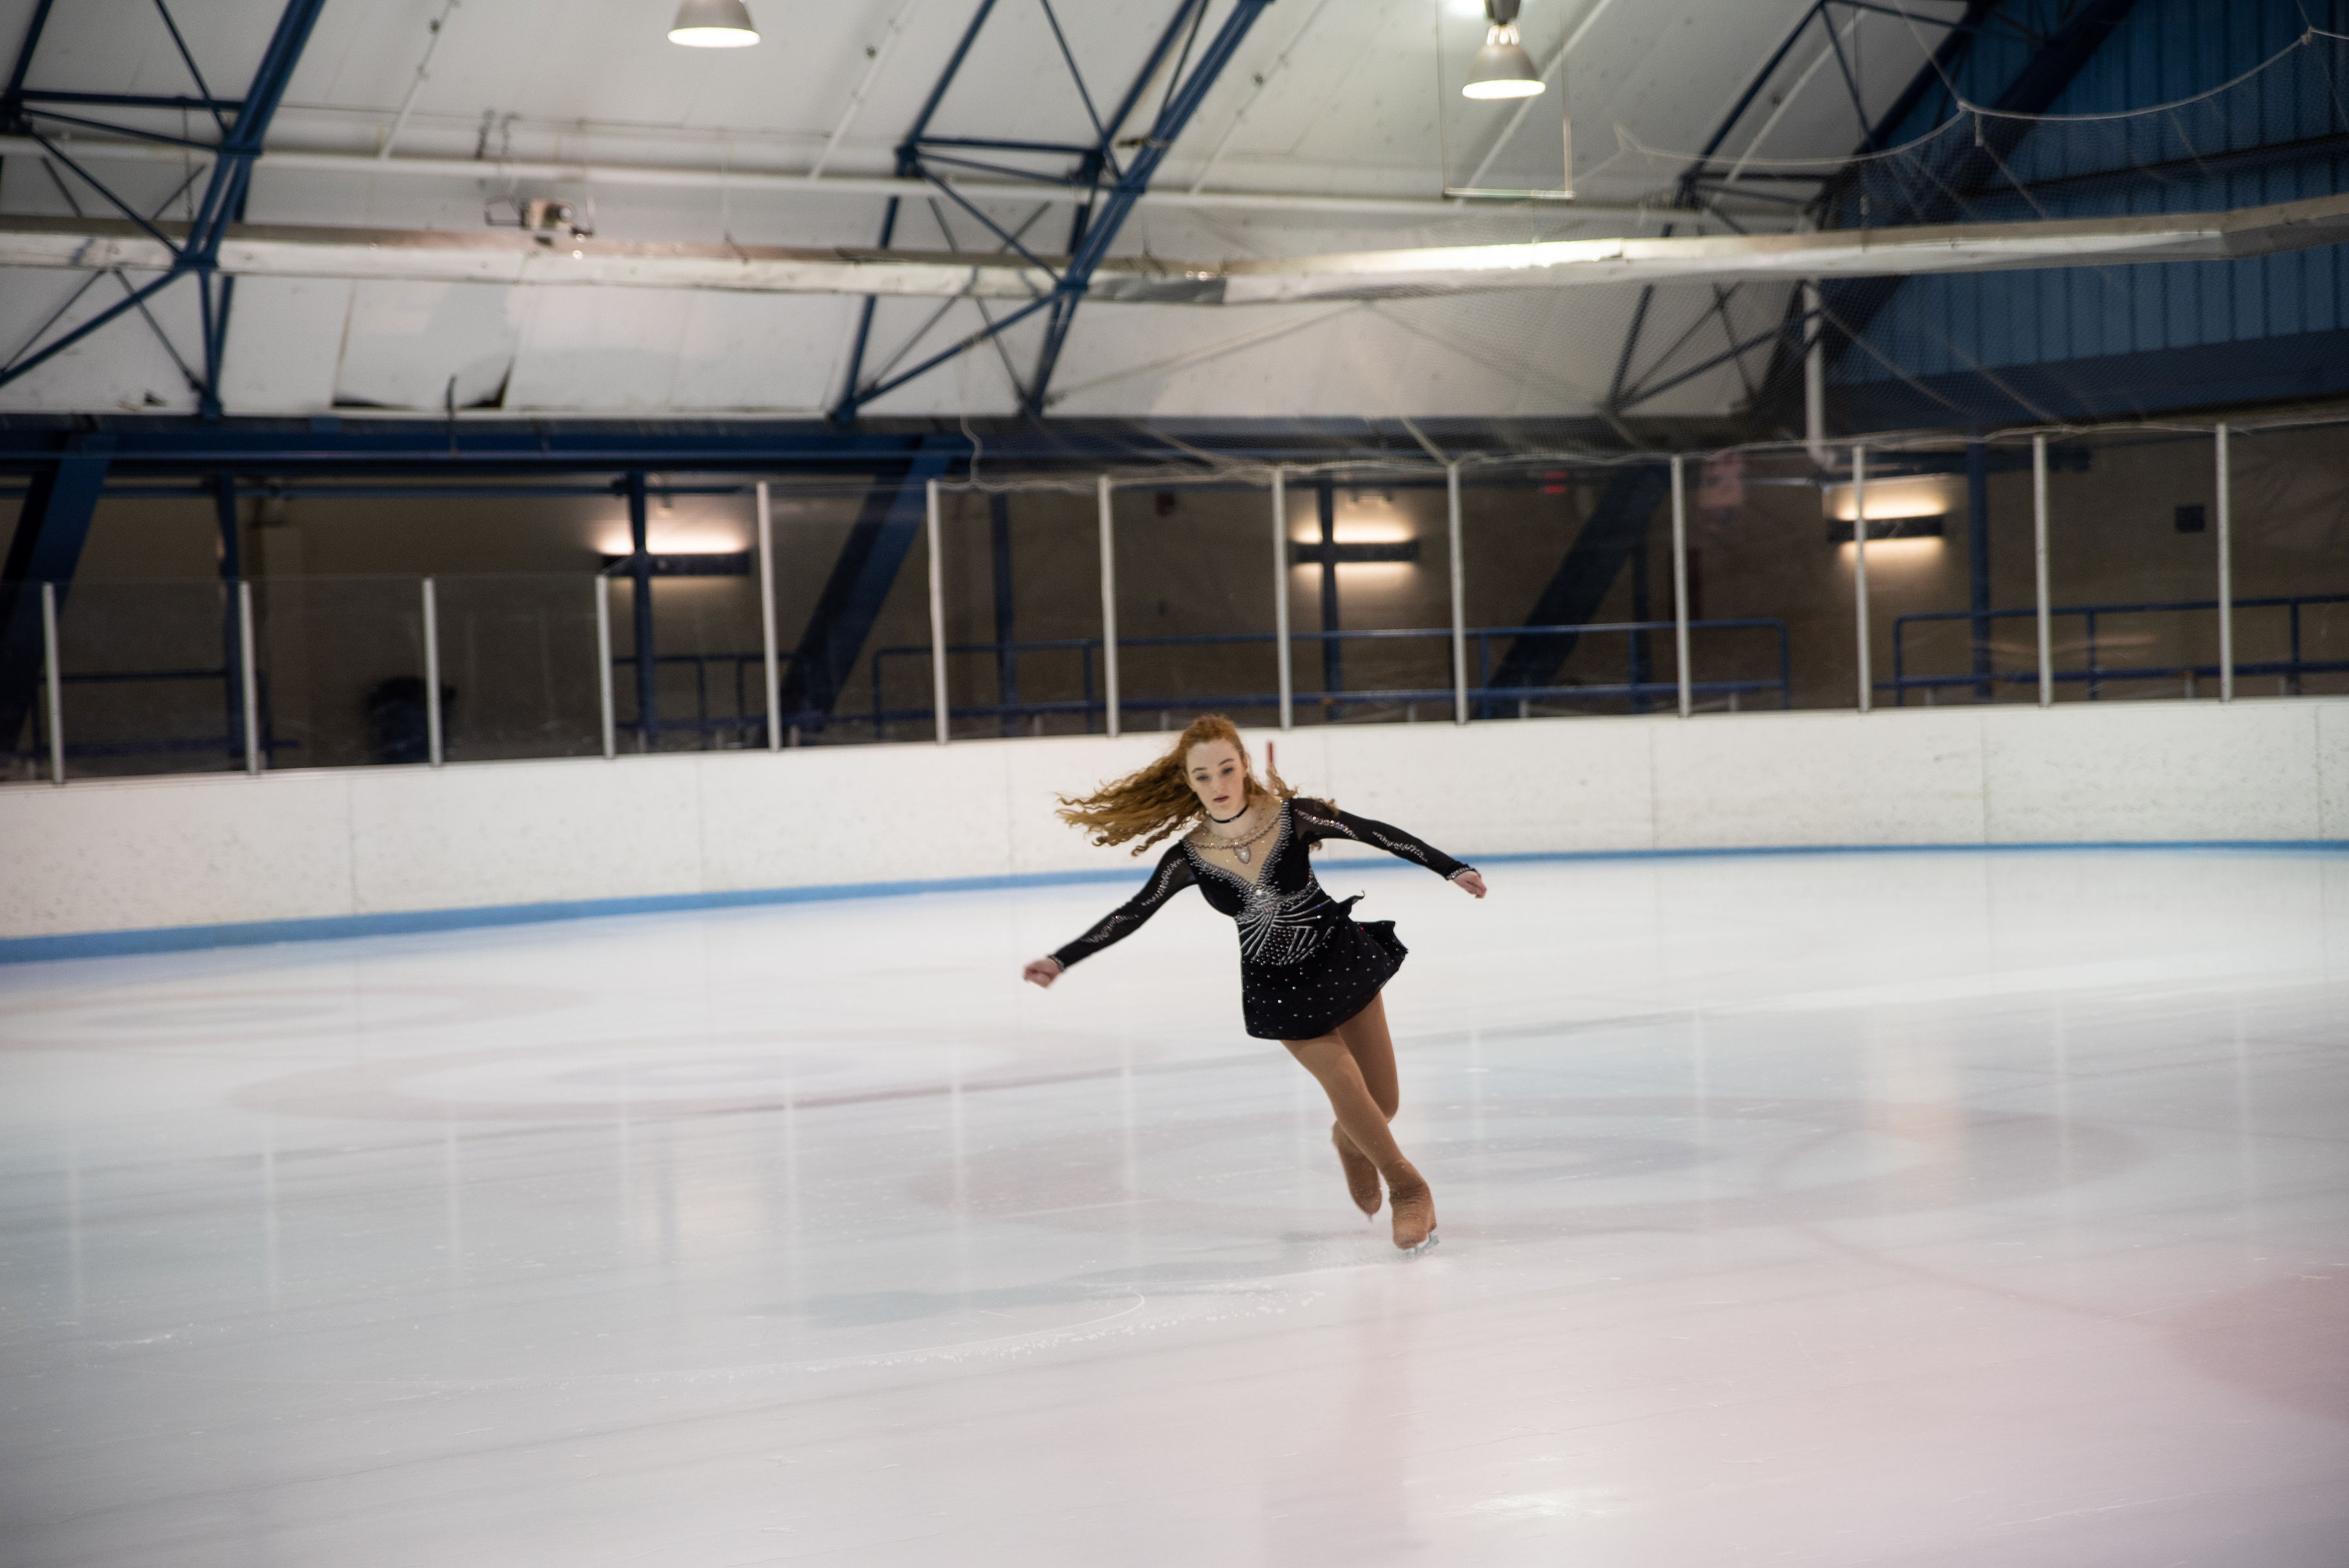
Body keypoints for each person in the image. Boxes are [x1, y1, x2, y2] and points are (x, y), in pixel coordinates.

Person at [1022, 715, 1486, 1253]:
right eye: (1203, 776)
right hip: (1279, 987)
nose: (1218, 785)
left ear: (1244, 765)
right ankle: (1409, 1189)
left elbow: (1377, 832)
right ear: (1188, 782)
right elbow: (1133, 913)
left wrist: (1451, 868)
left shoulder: (1295, 817)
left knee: (1381, 1104)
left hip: (1340, 959)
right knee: (1341, 1079)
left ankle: (1350, 1139)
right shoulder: (1189, 857)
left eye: (1226, 768)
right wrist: (1062, 959)